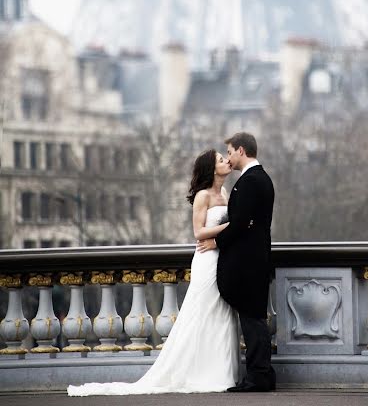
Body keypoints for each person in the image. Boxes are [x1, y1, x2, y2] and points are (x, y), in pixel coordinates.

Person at [67, 149, 239, 396]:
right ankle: (200, 372)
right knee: (202, 312)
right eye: (221, 160)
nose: (226, 161)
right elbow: (198, 233)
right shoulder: (203, 195)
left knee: (222, 313)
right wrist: (232, 226)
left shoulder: (223, 192)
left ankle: (221, 371)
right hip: (207, 260)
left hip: (222, 257)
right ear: (212, 169)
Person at [197, 131, 275, 392]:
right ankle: (261, 375)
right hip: (256, 260)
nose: (228, 158)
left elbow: (242, 223)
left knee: (252, 321)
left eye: (229, 152)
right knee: (254, 319)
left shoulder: (250, 181)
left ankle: (258, 377)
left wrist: (216, 243)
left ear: (241, 150)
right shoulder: (258, 178)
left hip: (248, 263)